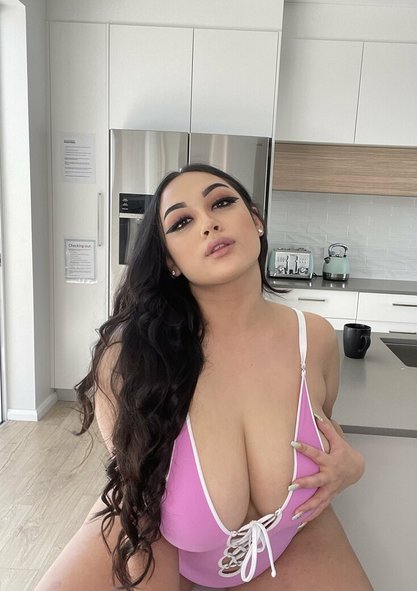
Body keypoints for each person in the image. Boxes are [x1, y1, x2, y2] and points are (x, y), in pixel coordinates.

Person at [36, 163, 373, 591]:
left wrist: (353, 467)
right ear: (170, 261)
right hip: (160, 542)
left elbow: (326, 433)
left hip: (286, 545)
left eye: (222, 202)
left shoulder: (316, 338)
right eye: (182, 222)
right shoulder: (129, 357)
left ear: (256, 221)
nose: (208, 223)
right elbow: (132, 480)